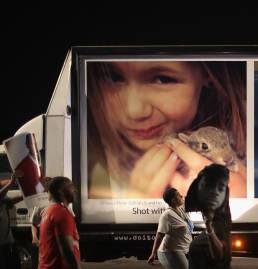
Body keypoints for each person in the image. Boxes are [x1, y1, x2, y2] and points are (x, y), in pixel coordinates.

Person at [87, 61, 246, 199]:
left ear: (207, 75)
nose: (134, 111)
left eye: (162, 79)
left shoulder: (249, 147)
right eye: (114, 77)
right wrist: (137, 211)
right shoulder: (102, 171)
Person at [148, 187, 193, 269]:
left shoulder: (180, 209)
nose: (182, 196)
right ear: (173, 200)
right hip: (170, 252)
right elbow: (160, 235)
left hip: (180, 250)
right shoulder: (167, 215)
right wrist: (153, 253)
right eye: (179, 195)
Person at [0, 172, 23, 269]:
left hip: (7, 246)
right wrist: (11, 182)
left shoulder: (3, 202)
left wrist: (34, 193)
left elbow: (11, 201)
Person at [27, 176, 53, 269]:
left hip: (57, 240)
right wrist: (34, 237)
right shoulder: (40, 205)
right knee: (42, 265)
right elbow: (33, 222)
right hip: (45, 240)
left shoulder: (62, 203)